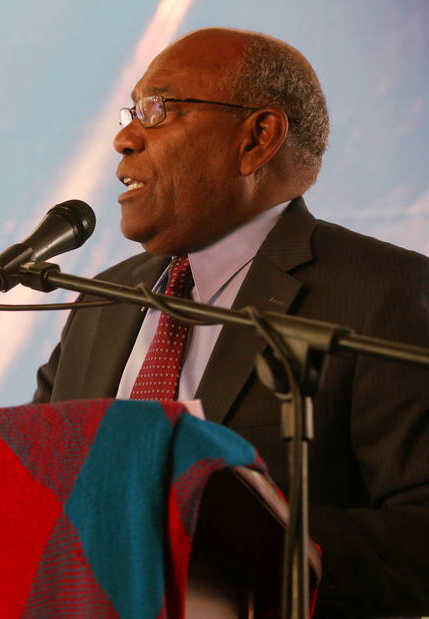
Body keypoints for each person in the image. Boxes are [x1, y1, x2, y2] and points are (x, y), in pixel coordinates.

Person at [33, 27, 429, 617]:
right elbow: (34, 484)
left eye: (158, 110)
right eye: (130, 112)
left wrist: (239, 541)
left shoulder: (384, 293)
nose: (124, 138)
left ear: (257, 137)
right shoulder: (102, 300)